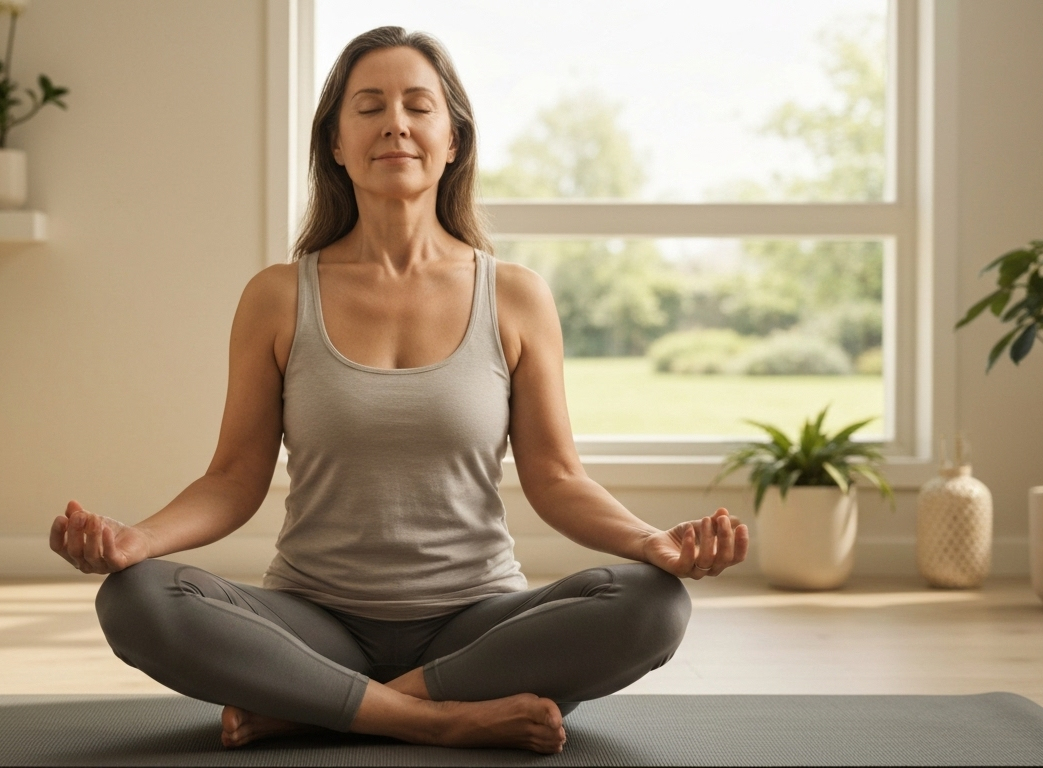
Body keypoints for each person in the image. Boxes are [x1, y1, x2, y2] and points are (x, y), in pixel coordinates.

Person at [49, 26, 749, 755]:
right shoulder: (277, 297)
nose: (396, 124)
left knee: (651, 605)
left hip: (476, 625)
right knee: (136, 600)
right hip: (315, 621)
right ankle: (444, 718)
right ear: (334, 142)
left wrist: (653, 543)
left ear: (453, 141)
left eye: (419, 106)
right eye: (369, 106)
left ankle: (320, 706)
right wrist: (136, 540)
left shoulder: (514, 296)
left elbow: (557, 478)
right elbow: (233, 478)